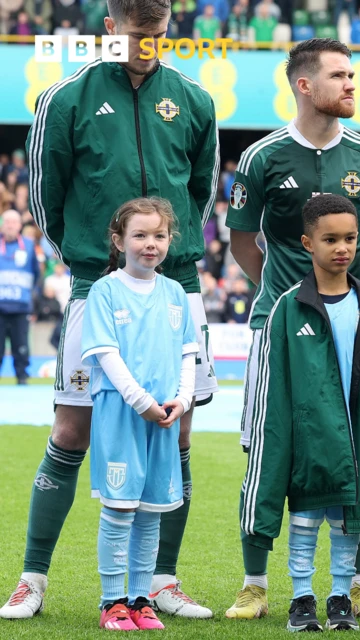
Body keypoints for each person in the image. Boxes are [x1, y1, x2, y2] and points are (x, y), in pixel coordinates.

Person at [0, 0, 219, 621]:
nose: (148, 45)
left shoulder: (195, 99)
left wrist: (161, 252)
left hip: (176, 286)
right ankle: (32, 577)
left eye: (159, 34)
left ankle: (161, 582)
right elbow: (46, 196)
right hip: (97, 286)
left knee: (175, 428)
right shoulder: (65, 98)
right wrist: (91, 261)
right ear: (109, 30)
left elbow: (197, 191)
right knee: (70, 430)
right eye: (136, 35)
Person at [225, 37, 360, 620]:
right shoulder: (261, 157)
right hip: (278, 327)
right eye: (340, 75)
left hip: (352, 329)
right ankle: (255, 583)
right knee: (265, 449)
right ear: (304, 85)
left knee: (359, 444)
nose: (352, 84)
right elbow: (243, 242)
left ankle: (354, 582)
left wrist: (344, 296)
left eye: (354, 75)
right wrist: (284, 298)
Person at [241, 194, 360, 632]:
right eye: (330, 239)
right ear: (307, 243)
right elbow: (272, 390)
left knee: (347, 524)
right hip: (308, 441)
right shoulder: (287, 309)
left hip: (356, 441)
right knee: (304, 520)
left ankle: (340, 595)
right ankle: (301, 597)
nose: (342, 248)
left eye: (350, 238)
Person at [81, 197, 197, 631]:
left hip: (164, 417)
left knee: (150, 512)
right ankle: (112, 602)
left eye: (160, 235)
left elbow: (189, 354)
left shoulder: (175, 293)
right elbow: (106, 355)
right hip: (124, 415)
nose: (151, 244)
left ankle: (140, 599)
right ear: (119, 240)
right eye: (140, 235)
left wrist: (181, 400)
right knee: (119, 509)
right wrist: (141, 402)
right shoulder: (105, 291)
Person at [0, 209, 41, 385]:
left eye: (13, 222)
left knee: (21, 345)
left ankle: (22, 378)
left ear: (19, 225)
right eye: (7, 221)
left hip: (21, 306)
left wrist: (34, 302)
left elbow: (37, 275)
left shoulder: (30, 245)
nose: (10, 225)